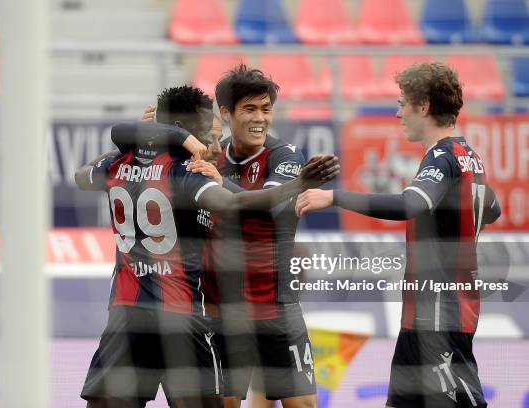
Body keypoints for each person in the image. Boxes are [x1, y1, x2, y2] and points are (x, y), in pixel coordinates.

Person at [76, 85, 338, 408]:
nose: (214, 145)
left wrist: (143, 136)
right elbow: (239, 204)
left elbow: (80, 176)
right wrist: (299, 186)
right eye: (208, 136)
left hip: (128, 317)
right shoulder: (189, 173)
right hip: (185, 320)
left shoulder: (117, 165)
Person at [295, 62, 501, 408]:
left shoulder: (441, 158)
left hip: (439, 315)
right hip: (423, 315)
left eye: (403, 103)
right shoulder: (469, 156)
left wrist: (334, 196)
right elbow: (491, 208)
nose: (397, 112)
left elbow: (410, 205)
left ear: (423, 106)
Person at [197, 64, 328, 408]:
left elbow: (264, 208)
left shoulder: (285, 157)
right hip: (223, 310)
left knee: (303, 405)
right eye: (250, 109)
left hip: (277, 306)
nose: (260, 118)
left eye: (266, 109)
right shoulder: (212, 155)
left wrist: (218, 181)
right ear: (226, 113)